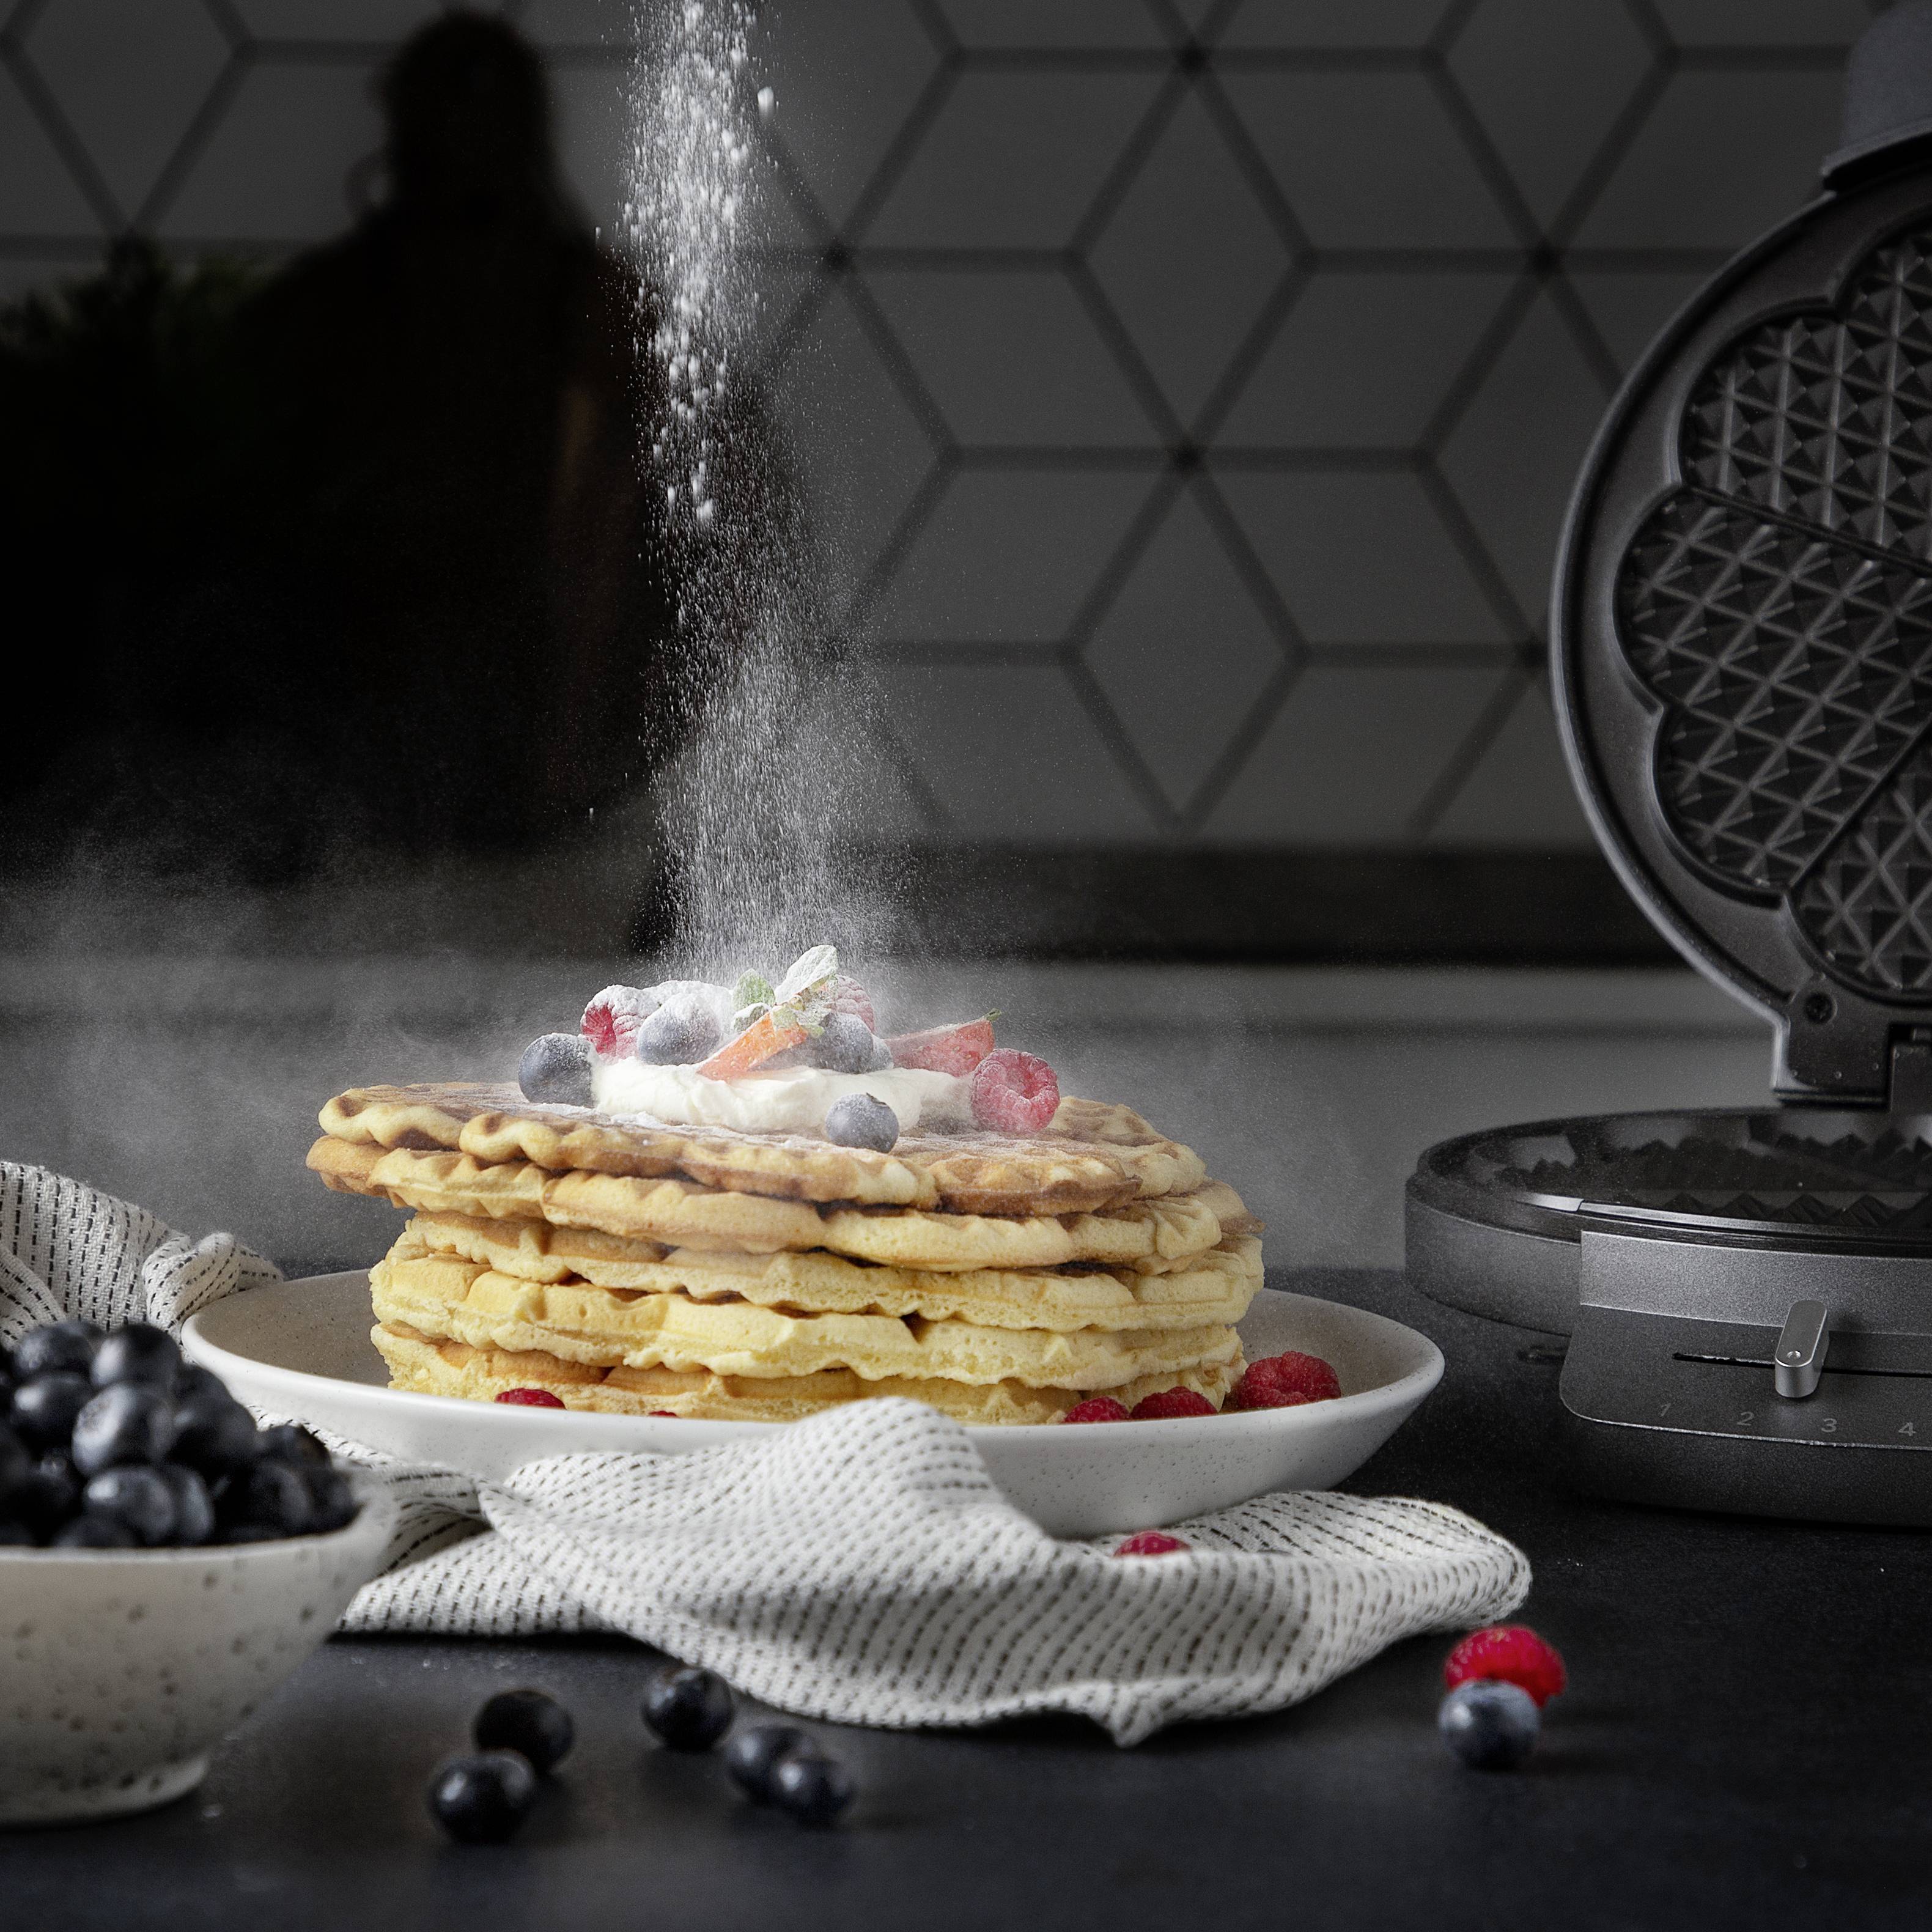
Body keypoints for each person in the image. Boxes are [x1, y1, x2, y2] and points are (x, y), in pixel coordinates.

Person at [0, 10, 784, 886]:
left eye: (486, 123)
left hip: (517, 719)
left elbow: (675, 508)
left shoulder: (596, 315)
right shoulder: (333, 312)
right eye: (444, 122)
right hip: (368, 717)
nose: (466, 157)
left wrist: (572, 744)